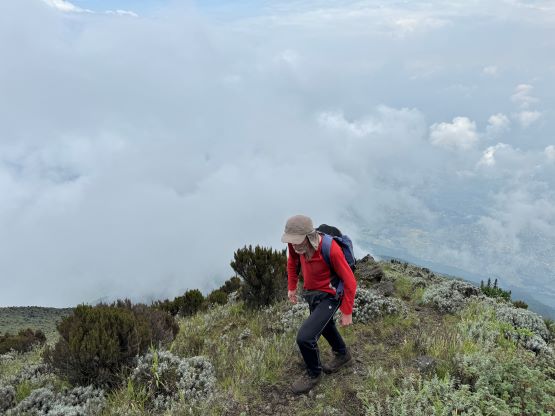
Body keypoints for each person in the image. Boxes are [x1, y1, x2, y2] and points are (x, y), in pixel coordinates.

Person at [281, 214, 357, 394]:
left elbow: (350, 281)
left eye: (297, 240)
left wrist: (347, 311)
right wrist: (292, 287)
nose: (294, 245)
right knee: (325, 326)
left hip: (331, 294)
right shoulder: (295, 245)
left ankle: (313, 373)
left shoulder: (331, 249)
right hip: (312, 293)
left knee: (305, 337)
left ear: (309, 235)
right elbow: (292, 262)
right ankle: (343, 354)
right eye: (291, 240)